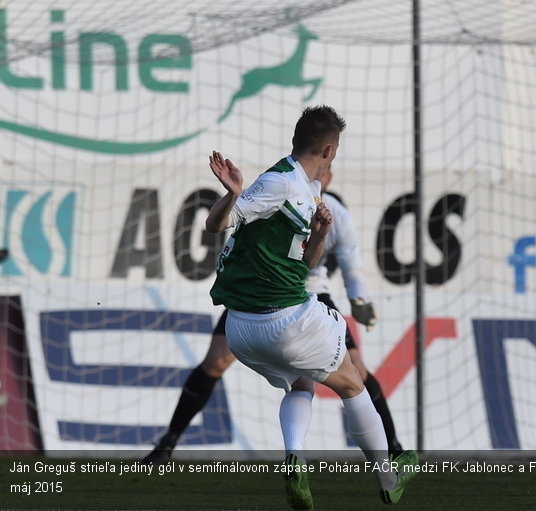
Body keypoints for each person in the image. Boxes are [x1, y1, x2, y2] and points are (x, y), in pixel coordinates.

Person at [186, 105, 415, 509]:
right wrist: (233, 194)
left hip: (242, 328)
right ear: (329, 150)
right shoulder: (280, 182)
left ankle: (294, 456)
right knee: (352, 385)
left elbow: (306, 264)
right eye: (337, 148)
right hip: (286, 320)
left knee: (301, 383)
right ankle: (388, 476)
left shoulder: (309, 191)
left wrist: (321, 234)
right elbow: (216, 225)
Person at [143, 165, 405, 463]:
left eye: (326, 172)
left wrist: (359, 299)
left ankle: (394, 449)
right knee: (215, 361)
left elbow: (350, 263)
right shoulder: (280, 192)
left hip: (313, 294)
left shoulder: (336, 214)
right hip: (264, 293)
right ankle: (168, 443)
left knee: (355, 369)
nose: (320, 175)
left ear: (330, 177)